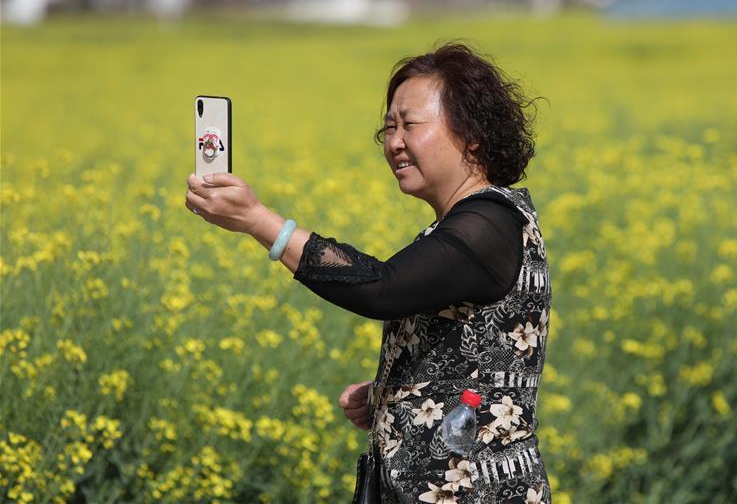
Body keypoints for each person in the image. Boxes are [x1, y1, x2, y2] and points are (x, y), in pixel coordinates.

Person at [185, 43, 552, 504]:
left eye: (410, 125)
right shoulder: (472, 223)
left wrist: (260, 221)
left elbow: (383, 288)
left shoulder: (490, 225)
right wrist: (395, 393)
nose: (394, 141)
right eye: (389, 127)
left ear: (471, 135)